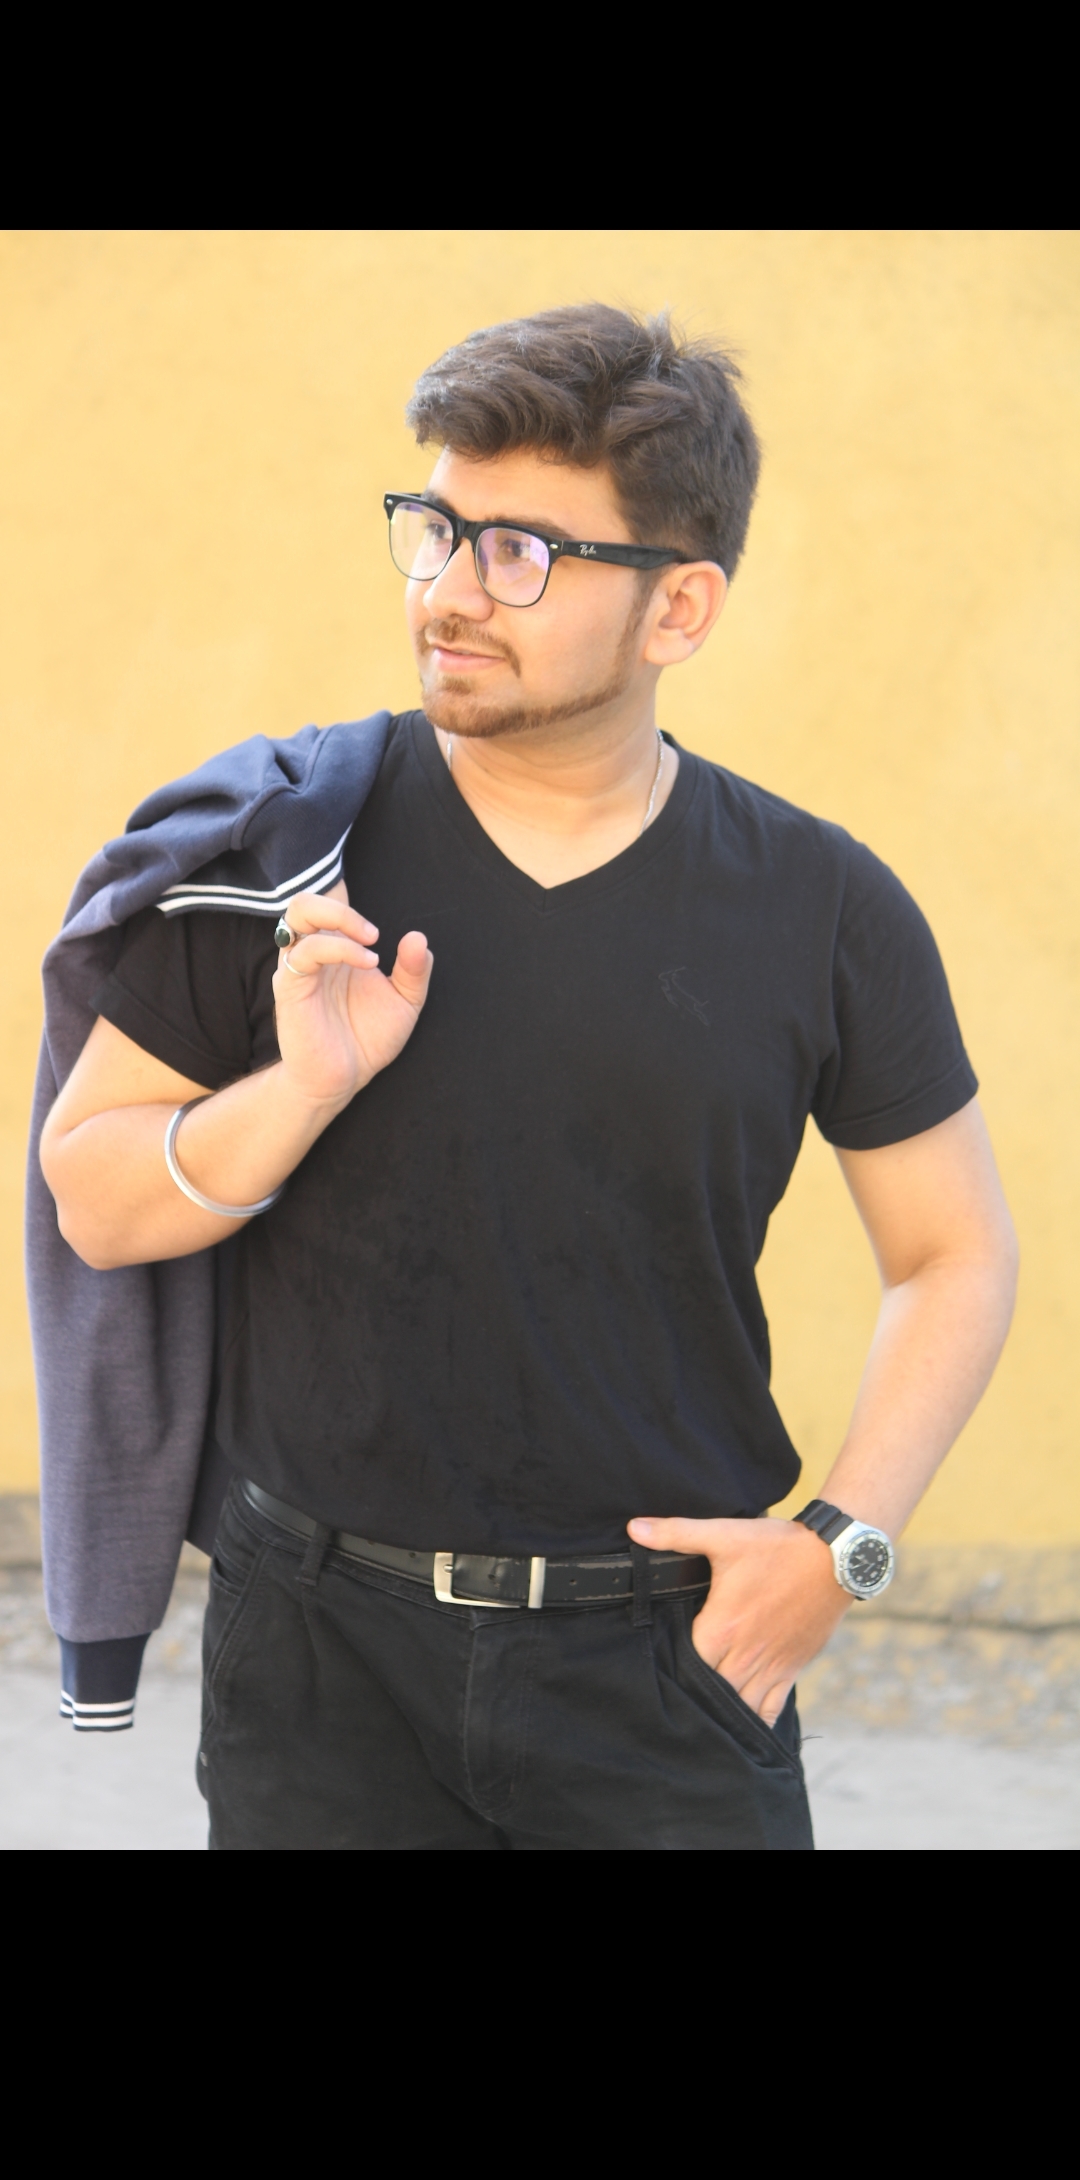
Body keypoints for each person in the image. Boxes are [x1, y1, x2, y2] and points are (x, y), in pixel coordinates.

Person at [39, 305, 1018, 1848]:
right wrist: (296, 1090)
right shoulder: (288, 854)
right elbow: (93, 1199)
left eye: (520, 553)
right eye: (434, 531)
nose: (446, 591)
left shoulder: (824, 906)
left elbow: (953, 1253)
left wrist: (842, 1550)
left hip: (667, 1671)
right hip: (320, 1664)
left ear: (678, 606)